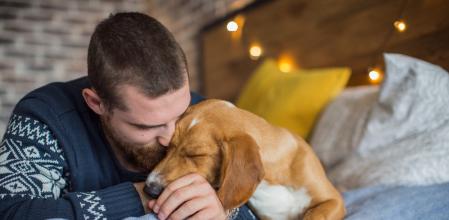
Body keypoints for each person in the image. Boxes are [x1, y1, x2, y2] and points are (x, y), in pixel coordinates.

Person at [0, 12, 256, 220]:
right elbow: (12, 212)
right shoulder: (45, 116)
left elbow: (262, 206)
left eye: (180, 115)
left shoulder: (203, 116)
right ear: (96, 102)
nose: (171, 137)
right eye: (147, 126)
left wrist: (226, 211)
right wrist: (143, 198)